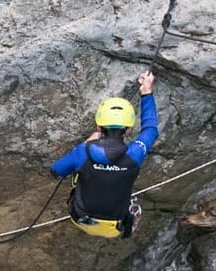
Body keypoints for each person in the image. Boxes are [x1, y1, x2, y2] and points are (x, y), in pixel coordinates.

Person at [50, 71, 158, 238]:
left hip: (80, 217)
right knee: (129, 203)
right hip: (115, 228)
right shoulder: (135, 153)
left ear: (99, 127)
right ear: (128, 129)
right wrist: (146, 91)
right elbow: (150, 129)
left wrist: (86, 143)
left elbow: (56, 170)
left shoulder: (83, 152)